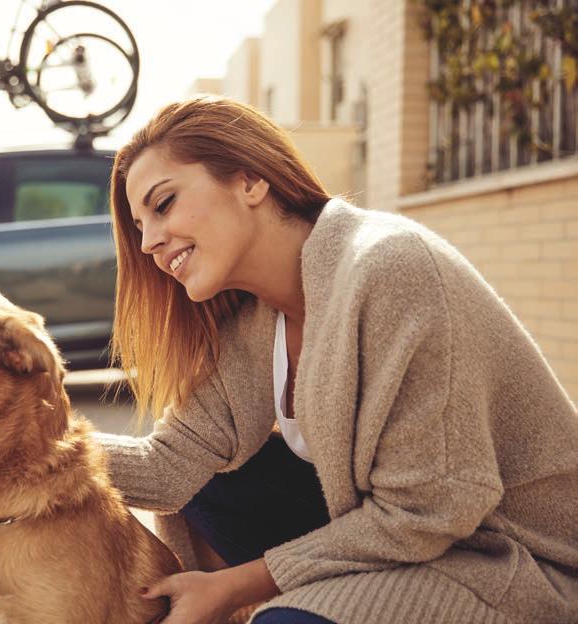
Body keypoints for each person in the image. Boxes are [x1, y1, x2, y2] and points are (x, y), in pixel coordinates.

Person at [91, 95, 578, 624]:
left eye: (163, 205)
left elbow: (430, 512)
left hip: (510, 557)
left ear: (251, 181)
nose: (148, 243)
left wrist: (233, 587)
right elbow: (167, 469)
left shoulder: (389, 268)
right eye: (139, 226)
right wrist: (12, 442)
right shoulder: (251, 321)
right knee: (213, 480)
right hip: (417, 533)